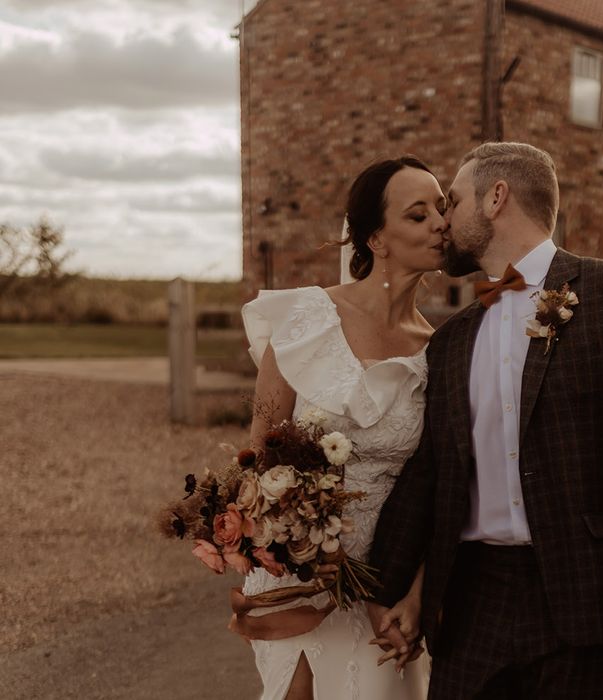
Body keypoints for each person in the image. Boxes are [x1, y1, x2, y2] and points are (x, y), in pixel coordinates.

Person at [368, 141, 603, 699]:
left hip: (584, 594)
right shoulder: (450, 339)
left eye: (452, 201)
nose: (444, 220)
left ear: (496, 197)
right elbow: (430, 473)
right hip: (472, 599)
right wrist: (369, 582)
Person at [240, 155, 447, 700]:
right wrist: (287, 542)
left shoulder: (438, 351)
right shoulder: (307, 318)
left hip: (384, 574)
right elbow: (258, 453)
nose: (439, 224)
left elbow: (436, 484)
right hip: (296, 566)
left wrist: (416, 593)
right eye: (418, 215)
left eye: (442, 210)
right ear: (376, 239)